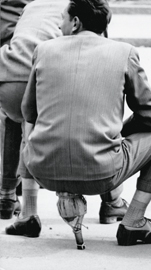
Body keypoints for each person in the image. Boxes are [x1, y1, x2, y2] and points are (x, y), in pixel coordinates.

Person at [7, 0, 151, 246]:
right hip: (101, 173)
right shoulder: (124, 52)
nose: (59, 24)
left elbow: (29, 113)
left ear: (75, 22)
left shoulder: (44, 50)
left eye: (63, 19)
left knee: (30, 128)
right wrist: (121, 131)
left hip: (43, 169)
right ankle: (134, 221)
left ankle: (29, 213)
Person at [0, 0, 68, 221]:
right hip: (40, 73)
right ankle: (110, 201)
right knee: (81, 119)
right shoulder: (77, 5)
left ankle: (6, 196)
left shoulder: (33, 5)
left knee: (14, 121)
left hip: (8, 71)